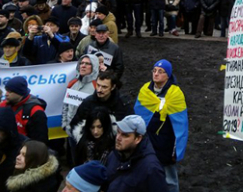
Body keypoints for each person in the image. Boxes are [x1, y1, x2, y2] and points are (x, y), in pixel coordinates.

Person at [134, 60, 188, 192]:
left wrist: (176, 149)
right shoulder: (145, 90)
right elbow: (138, 116)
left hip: (166, 143)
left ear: (167, 75)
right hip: (147, 140)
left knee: (169, 179)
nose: (156, 74)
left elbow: (180, 123)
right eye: (154, 70)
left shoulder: (176, 94)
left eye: (160, 71)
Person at [104, 115, 168, 192]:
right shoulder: (114, 155)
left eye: (125, 135)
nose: (118, 138)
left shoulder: (151, 168)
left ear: (138, 139)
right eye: (118, 132)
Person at [69, 71, 133, 136]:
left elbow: (131, 127)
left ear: (113, 87)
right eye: (98, 85)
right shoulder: (88, 102)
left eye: (104, 87)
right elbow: (75, 125)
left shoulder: (123, 105)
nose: (99, 90)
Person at [62, 54, 99, 152]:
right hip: (71, 131)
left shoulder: (97, 86)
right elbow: (65, 105)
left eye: (87, 64)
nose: (83, 66)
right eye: (82, 63)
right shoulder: (72, 83)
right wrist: (65, 125)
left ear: (94, 66)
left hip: (88, 135)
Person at [0, 77, 48, 144]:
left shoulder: (36, 111)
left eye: (10, 91)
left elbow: (40, 141)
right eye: (6, 90)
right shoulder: (3, 105)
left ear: (20, 93)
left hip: (25, 150)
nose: (6, 94)